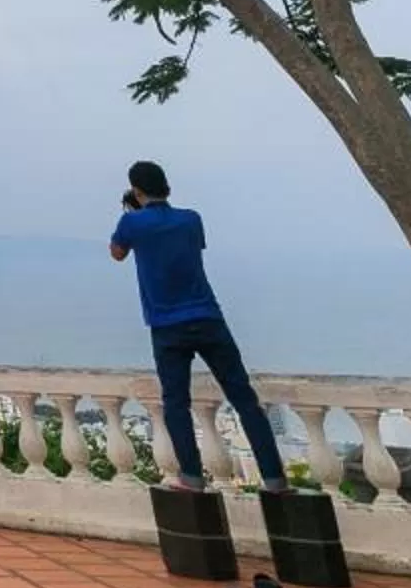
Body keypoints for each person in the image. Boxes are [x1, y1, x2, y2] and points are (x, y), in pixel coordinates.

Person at [110, 161, 289, 489]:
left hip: (166, 326)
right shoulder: (191, 220)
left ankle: (191, 477)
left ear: (136, 190)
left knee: (176, 402)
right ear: (167, 187)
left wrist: (132, 213)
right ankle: (275, 478)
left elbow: (117, 253)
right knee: (244, 399)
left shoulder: (130, 223)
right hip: (208, 317)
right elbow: (192, 248)